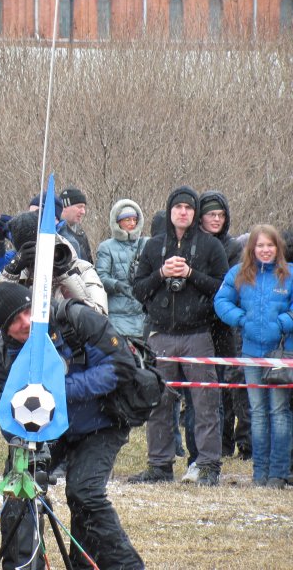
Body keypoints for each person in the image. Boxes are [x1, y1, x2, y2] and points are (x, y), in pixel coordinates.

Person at [0, 282, 143, 570]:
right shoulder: (3, 358)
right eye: (14, 321)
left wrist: (57, 392)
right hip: (48, 433)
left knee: (84, 493)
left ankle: (119, 566)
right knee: (18, 490)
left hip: (101, 422)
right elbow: (6, 415)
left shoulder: (76, 319)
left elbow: (121, 366)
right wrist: (25, 443)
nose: (24, 323)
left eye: (26, 312)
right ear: (4, 330)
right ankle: (23, 564)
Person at [129, 186, 229, 486]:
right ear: (170, 211)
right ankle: (159, 465)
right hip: (161, 335)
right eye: (178, 207)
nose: (183, 212)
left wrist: (190, 275)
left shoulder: (211, 247)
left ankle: (209, 465)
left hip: (198, 334)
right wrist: (161, 273)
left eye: (188, 207)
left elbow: (223, 289)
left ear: (194, 212)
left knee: (205, 402)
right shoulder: (153, 246)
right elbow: (137, 290)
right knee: (159, 402)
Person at [215, 225, 293, 488]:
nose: (265, 250)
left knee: (280, 412)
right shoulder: (238, 274)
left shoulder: (290, 274)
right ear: (252, 249)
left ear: (278, 248)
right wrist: (240, 319)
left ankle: (278, 474)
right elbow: (221, 302)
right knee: (258, 413)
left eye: (270, 245)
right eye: (260, 245)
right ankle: (260, 473)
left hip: (282, 355)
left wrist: (283, 322)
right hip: (251, 354)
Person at [198, 191, 251, 462]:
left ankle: (233, 442)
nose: (216, 219)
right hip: (198, 322)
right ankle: (216, 443)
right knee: (206, 388)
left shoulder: (233, 248)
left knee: (229, 384)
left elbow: (230, 285)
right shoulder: (195, 244)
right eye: (211, 215)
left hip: (225, 325)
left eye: (220, 215)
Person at [0, 210, 108, 315]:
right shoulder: (22, 276)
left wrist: (65, 274)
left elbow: (98, 317)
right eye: (31, 251)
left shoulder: (82, 270)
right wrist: (11, 272)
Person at [94, 199, 148, 338]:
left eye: (134, 219)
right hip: (117, 317)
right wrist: (116, 285)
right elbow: (100, 277)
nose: (132, 223)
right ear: (118, 222)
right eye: (127, 219)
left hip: (145, 316)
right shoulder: (107, 247)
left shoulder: (147, 244)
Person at [60, 186, 93, 262]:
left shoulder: (81, 234)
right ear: (64, 207)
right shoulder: (53, 233)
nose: (83, 212)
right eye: (79, 207)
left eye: (84, 207)